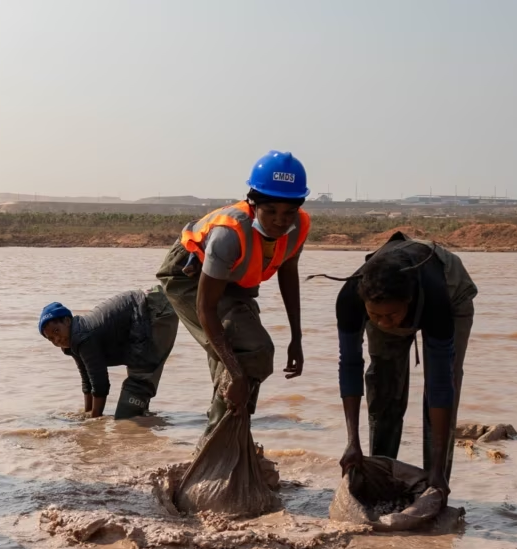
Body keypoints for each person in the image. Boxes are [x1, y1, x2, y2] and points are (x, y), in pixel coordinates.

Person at [155, 151, 310, 438]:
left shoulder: (297, 227)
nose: (280, 221)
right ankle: (216, 443)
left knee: (246, 353)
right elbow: (205, 308)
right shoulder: (229, 234)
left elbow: (289, 274)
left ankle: (235, 436)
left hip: (234, 282)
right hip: (188, 278)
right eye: (271, 211)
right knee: (247, 351)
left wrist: (297, 338)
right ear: (253, 203)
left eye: (288, 212)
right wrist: (236, 375)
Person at [329, 231, 476, 505]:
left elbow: (441, 384)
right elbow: (350, 366)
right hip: (391, 291)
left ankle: (437, 478)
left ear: (407, 301)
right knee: (383, 386)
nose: (384, 323)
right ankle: (380, 478)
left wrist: (438, 470)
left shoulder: (436, 300)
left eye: (391, 315)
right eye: (375, 316)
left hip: (452, 294)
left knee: (444, 385)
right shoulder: (351, 297)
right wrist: (352, 442)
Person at [38, 287, 178, 419]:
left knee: (128, 412)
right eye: (51, 338)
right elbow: (87, 380)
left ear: (67, 321)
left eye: (56, 331)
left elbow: (100, 383)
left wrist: (94, 420)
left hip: (154, 309)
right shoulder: (73, 342)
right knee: (135, 411)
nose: (57, 339)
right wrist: (87, 414)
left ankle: (138, 417)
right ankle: (145, 419)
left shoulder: (83, 337)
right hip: (145, 313)